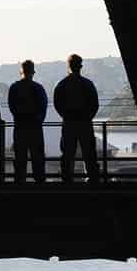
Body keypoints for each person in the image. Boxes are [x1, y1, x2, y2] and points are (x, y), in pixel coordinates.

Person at [54, 54, 100, 184]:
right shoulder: (87, 84)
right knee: (89, 153)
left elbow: (58, 104)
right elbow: (94, 104)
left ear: (68, 66)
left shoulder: (62, 84)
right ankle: (92, 178)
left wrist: (66, 116)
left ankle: (67, 179)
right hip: (85, 122)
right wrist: (87, 117)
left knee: (68, 153)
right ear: (80, 66)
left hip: (69, 123)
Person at [8, 60, 48, 183]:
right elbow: (43, 107)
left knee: (20, 157)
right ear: (33, 72)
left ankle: (20, 181)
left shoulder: (14, 88)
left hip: (20, 127)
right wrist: (37, 120)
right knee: (38, 157)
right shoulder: (38, 88)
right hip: (35, 128)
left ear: (21, 71)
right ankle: (39, 181)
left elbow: (12, 107)